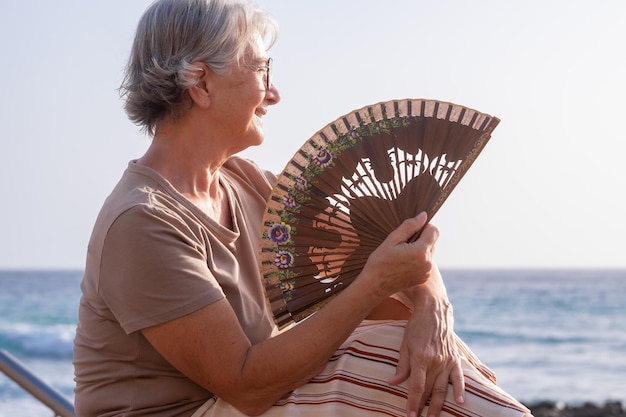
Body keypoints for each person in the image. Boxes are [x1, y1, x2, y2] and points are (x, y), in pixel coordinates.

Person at [72, 1, 532, 416]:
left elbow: (396, 245)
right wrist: (373, 286)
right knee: (384, 351)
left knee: (410, 339)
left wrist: (433, 308)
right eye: (262, 71)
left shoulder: (248, 184)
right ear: (201, 82)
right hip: (206, 408)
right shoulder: (143, 222)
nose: (273, 94)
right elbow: (246, 384)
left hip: (250, 403)